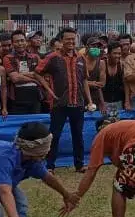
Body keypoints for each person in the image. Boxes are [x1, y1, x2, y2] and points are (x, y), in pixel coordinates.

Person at [37, 27, 93, 173]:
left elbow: (85, 80)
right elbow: (37, 73)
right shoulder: (53, 57)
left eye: (73, 38)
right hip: (59, 103)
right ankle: (49, 166)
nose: (71, 41)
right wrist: (49, 90)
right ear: (61, 40)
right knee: (54, 135)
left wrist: (89, 100)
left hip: (78, 102)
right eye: (67, 39)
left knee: (78, 134)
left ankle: (79, 165)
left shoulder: (81, 58)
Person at [2, 30, 45, 115]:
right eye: (17, 41)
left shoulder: (35, 57)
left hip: (35, 98)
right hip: (17, 99)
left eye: (22, 40)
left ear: (26, 42)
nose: (20, 43)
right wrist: (34, 79)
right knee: (19, 126)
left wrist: (21, 74)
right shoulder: (8, 58)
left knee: (35, 125)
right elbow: (15, 78)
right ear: (12, 43)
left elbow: (41, 75)